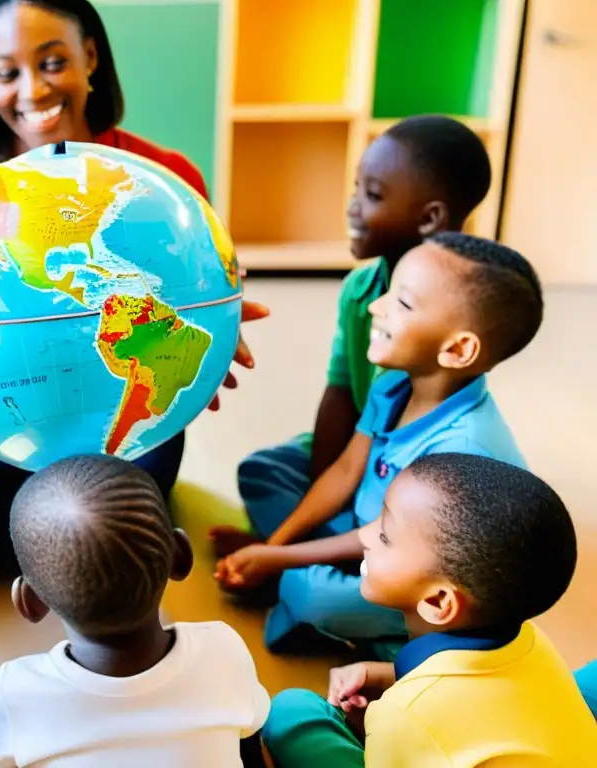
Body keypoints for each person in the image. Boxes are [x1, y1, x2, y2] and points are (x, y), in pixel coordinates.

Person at [0, 0, 268, 580]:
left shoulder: (163, 178)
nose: (33, 90)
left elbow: (196, 294)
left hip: (122, 397)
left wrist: (208, 340)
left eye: (53, 61)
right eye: (7, 72)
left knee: (113, 543)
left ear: (90, 57)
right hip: (1, 398)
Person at [215, 233, 543, 657]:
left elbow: (395, 538)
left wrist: (277, 560)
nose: (375, 306)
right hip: (374, 527)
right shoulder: (393, 385)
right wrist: (274, 546)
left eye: (402, 304)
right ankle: (300, 570)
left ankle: (372, 629)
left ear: (458, 349)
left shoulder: (462, 449)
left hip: (416, 566)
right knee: (263, 472)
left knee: (310, 593)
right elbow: (346, 471)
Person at [219, 116, 492, 559]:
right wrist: (323, 481)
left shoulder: (457, 312)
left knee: (414, 533)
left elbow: (424, 449)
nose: (352, 207)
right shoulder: (359, 289)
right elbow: (341, 389)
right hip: (357, 453)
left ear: (429, 218)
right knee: (263, 470)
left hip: (410, 474)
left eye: (373, 195)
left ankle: (304, 562)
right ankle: (310, 554)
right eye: (356, 189)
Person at [261, 453, 597, 766]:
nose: (364, 535)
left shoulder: (402, 714)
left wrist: (400, 719)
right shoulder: (528, 638)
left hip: (418, 726)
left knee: (291, 714)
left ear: (438, 603)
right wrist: (391, 676)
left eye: (385, 536)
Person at [0, 454, 271, 767]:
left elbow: (1, 759)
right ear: (181, 556)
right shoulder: (223, 648)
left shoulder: (16, 690)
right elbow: (249, 731)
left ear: (28, 602)